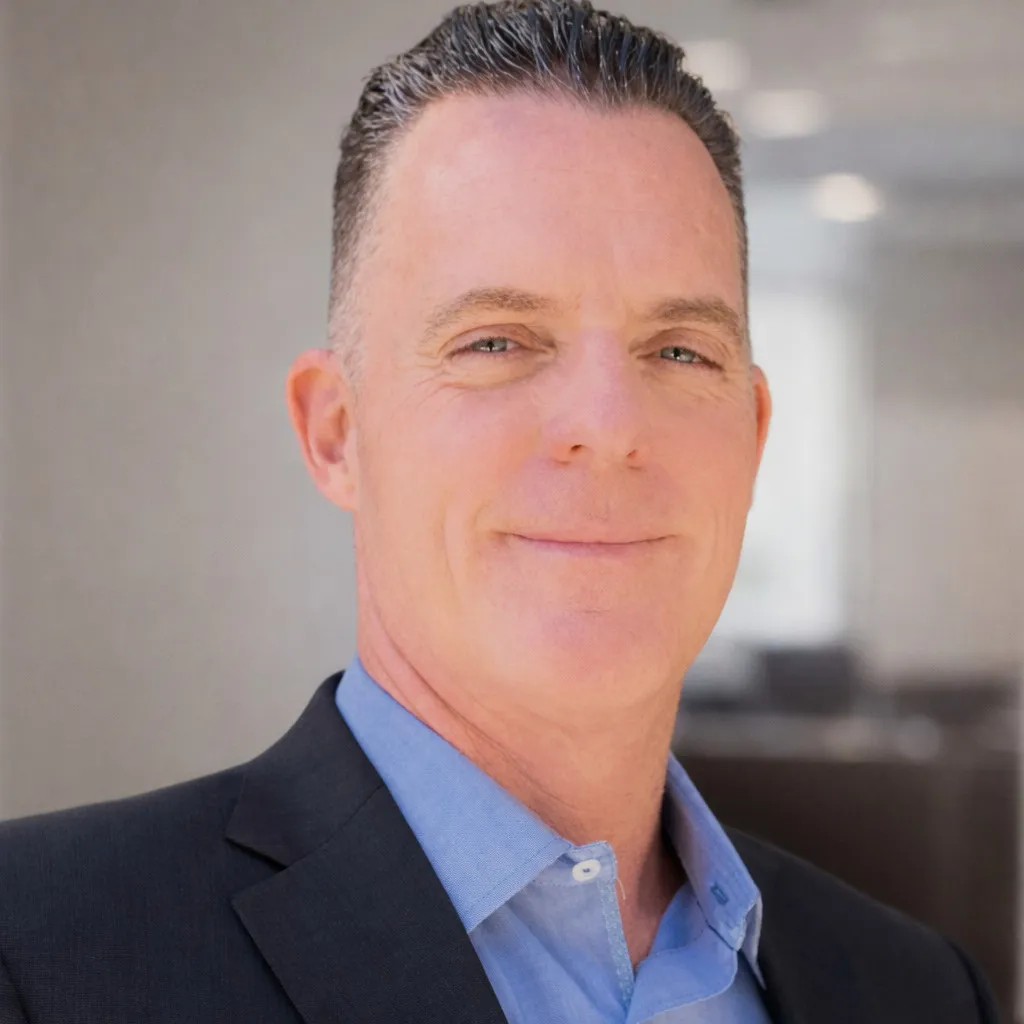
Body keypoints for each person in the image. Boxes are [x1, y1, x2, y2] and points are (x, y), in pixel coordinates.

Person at [0, 1, 1002, 1021]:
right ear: (336, 432)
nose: (607, 426)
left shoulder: (923, 993)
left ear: (750, 437)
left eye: (678, 350)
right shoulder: (37, 954)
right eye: (496, 341)